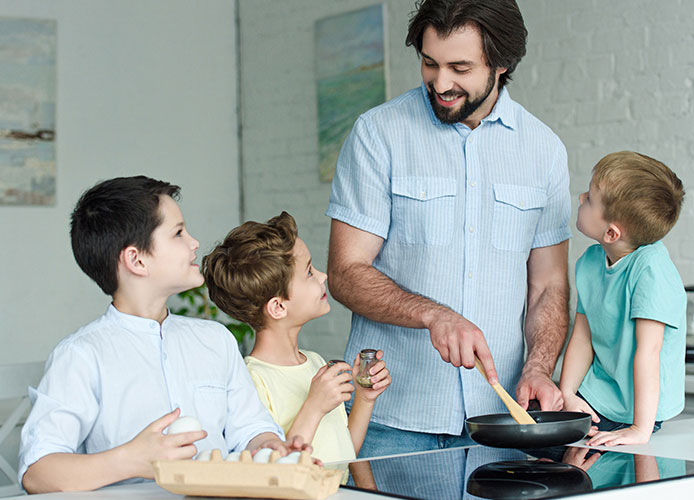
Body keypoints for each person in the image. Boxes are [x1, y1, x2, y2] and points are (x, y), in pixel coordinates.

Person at [326, 0, 571, 457]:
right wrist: (434, 314)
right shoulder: (378, 135)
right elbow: (344, 272)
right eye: (429, 63)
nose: (440, 83)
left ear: (501, 64)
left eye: (460, 67)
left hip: (502, 423)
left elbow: (548, 286)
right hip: (389, 422)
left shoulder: (544, 151)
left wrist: (539, 367)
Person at [18, 176, 304, 493]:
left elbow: (251, 428)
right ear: (136, 259)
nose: (194, 243)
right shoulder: (81, 355)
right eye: (178, 233)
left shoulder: (216, 339)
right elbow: (38, 472)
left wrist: (270, 446)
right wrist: (132, 459)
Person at [202, 211, 392, 465]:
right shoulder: (251, 380)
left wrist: (365, 399)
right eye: (310, 272)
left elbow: (344, 454)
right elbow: (277, 466)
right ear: (278, 307)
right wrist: (314, 406)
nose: (323, 276)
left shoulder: (314, 362)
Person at [560, 151, 686, 446]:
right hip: (601, 392)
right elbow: (582, 337)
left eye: (590, 199)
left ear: (611, 232)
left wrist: (640, 429)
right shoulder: (590, 261)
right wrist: (567, 394)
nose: (580, 198)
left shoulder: (651, 269)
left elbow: (649, 352)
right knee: (533, 420)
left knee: (561, 444)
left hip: (639, 405)